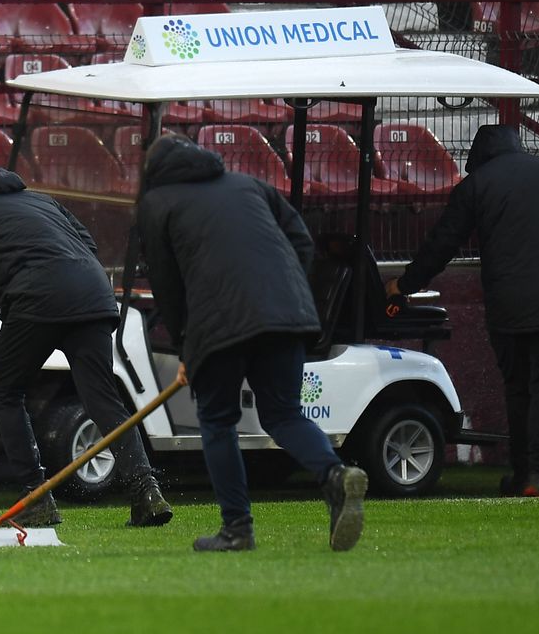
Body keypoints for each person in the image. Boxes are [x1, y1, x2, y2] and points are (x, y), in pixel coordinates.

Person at [137, 135, 367, 552]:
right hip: (287, 314)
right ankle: (334, 475)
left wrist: (186, 347)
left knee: (218, 420)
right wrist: (281, 293)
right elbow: (301, 240)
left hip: (218, 322)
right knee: (282, 414)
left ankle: (237, 528)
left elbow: (167, 286)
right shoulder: (247, 183)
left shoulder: (157, 203)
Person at [0, 157, 173, 528]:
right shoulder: (40, 199)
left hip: (36, 302)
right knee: (104, 401)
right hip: (92, 296)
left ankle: (36, 497)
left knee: (3, 393)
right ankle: (146, 491)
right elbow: (88, 245)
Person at [385, 124, 539, 497]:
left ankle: (523, 474)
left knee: (518, 388)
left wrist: (405, 285)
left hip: (507, 306)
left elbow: (443, 244)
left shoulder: (475, 186)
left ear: (479, 155)